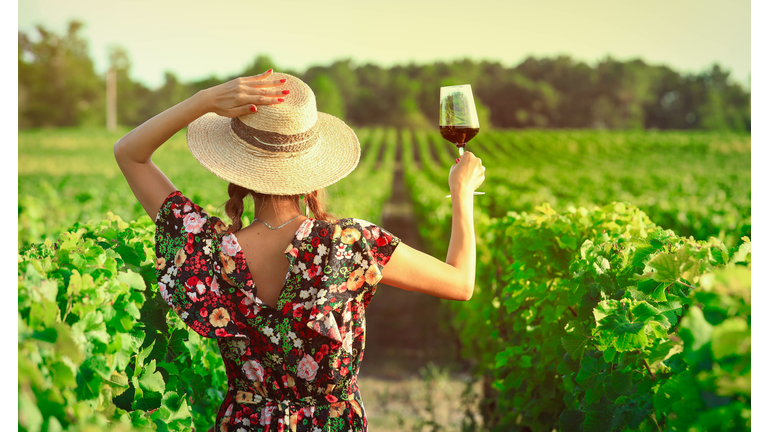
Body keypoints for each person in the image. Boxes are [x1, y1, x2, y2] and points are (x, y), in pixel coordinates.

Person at [114, 69, 485, 432]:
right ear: (313, 170)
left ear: (236, 170)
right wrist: (461, 193)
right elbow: (460, 283)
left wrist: (203, 101)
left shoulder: (208, 249)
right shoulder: (350, 244)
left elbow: (129, 153)